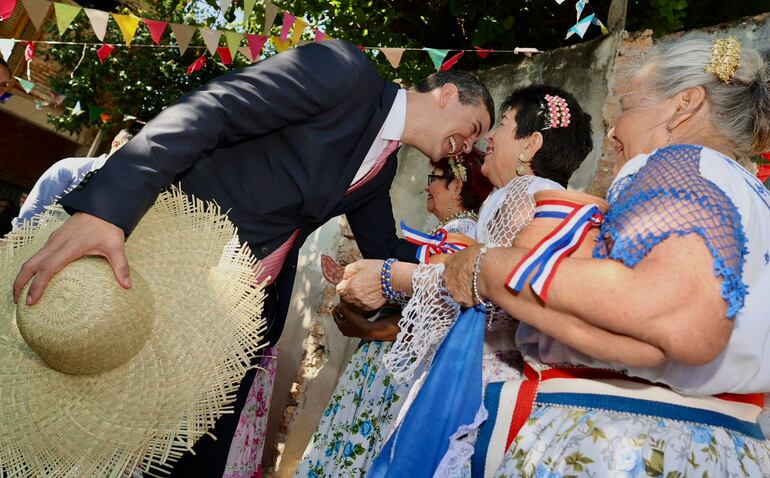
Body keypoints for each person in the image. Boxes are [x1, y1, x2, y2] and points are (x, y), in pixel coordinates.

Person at [12, 40, 493, 477]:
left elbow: (386, 251)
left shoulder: (381, 168)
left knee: (184, 458)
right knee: (101, 439)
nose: (469, 146)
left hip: (239, 322)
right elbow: (213, 109)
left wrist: (475, 263)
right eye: (473, 129)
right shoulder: (344, 70)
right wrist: (107, 210)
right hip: (170, 274)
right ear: (446, 93)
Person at [430, 33, 770, 475]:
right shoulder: (752, 194)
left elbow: (681, 321)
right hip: (722, 447)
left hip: (624, 445)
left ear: (684, 105)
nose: (614, 130)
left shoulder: (678, 162)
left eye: (627, 107)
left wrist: (489, 269)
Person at [335, 85, 594, 475]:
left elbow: (490, 292)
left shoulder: (527, 194)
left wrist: (391, 278)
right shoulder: (522, 195)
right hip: (478, 368)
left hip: (479, 378)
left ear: (531, 144)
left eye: (503, 125)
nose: (488, 138)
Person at [296, 149, 491, 478]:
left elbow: (440, 315)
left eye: (435, 180)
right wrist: (353, 283)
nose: (428, 187)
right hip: (384, 361)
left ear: (456, 187)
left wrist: (371, 331)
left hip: (396, 369)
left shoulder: (460, 237)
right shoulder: (444, 233)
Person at [11, 128, 137, 230]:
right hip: (39, 243)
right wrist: (19, 239)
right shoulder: (71, 167)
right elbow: (36, 206)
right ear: (115, 145)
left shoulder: (131, 190)